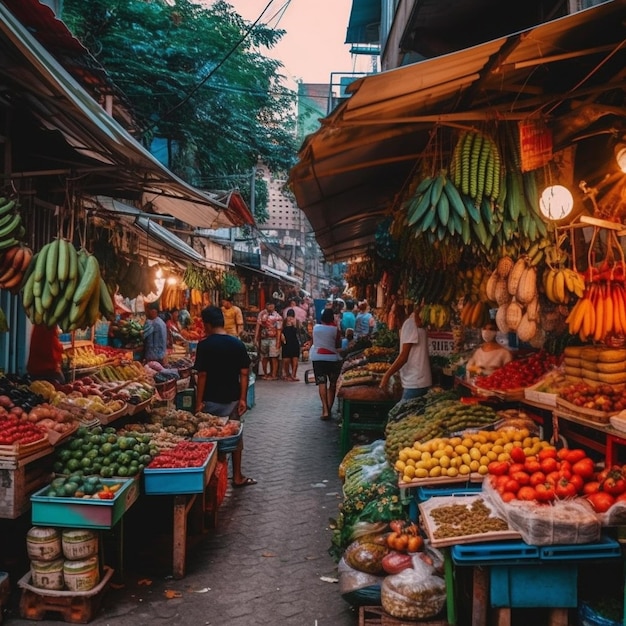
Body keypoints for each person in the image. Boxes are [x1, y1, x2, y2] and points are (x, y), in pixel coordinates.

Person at [194, 306, 255, 488]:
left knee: (209, 439)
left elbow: (202, 375)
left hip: (210, 401)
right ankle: (237, 476)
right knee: (234, 437)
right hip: (233, 399)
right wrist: (243, 398)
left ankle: (211, 480)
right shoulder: (237, 344)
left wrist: (198, 402)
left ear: (207, 324)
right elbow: (244, 373)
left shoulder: (204, 345)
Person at [379, 303, 432, 400]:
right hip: (419, 380)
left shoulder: (409, 324)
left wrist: (386, 375)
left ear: (396, 315)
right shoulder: (413, 323)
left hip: (415, 382)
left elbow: (404, 357)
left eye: (392, 312)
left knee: (400, 414)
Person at [310, 308, 342, 420]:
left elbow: (313, 342)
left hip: (318, 358)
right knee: (332, 384)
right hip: (332, 359)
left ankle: (325, 409)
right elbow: (338, 346)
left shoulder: (315, 328)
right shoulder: (335, 330)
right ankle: (329, 407)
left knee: (321, 383)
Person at [254, 301, 283, 380]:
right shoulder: (261, 314)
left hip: (273, 338)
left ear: (274, 306)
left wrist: (278, 342)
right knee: (264, 357)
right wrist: (255, 338)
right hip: (264, 338)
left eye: (272, 305)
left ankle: (273, 375)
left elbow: (279, 330)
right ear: (266, 305)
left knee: (274, 357)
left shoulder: (277, 316)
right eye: (269, 305)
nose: (270, 306)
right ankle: (265, 374)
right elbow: (258, 326)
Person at [280, 308, 300, 381]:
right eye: (289, 316)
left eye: (291, 316)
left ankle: (293, 375)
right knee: (286, 360)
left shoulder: (297, 321)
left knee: (295, 360)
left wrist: (294, 325)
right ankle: (287, 374)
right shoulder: (284, 321)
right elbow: (280, 330)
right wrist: (281, 335)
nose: (290, 318)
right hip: (286, 343)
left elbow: (300, 332)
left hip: (294, 343)